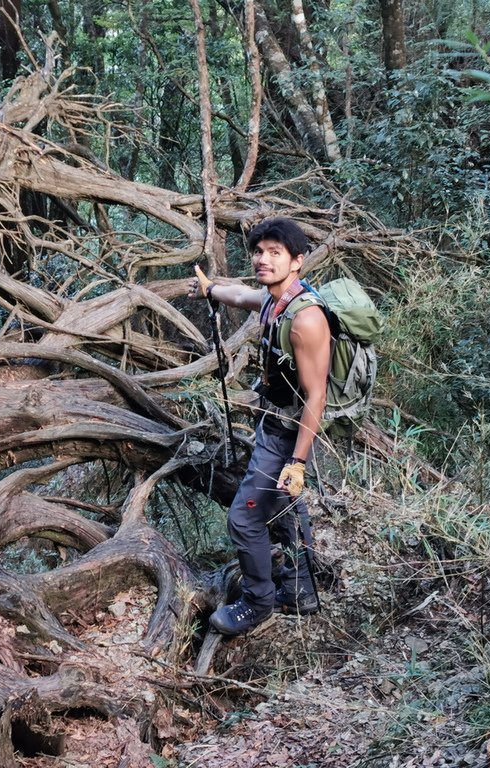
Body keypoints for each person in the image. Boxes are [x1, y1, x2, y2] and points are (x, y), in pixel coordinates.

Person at [188, 217, 330, 636]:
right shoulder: (274, 300)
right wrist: (211, 288)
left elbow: (317, 396)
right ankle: (301, 589)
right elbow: (240, 295)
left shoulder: (306, 320)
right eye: (259, 251)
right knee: (286, 505)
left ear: (297, 261)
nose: (263, 260)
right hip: (275, 422)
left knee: (244, 520)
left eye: (275, 253)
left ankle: (257, 602)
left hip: (291, 432)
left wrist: (298, 462)